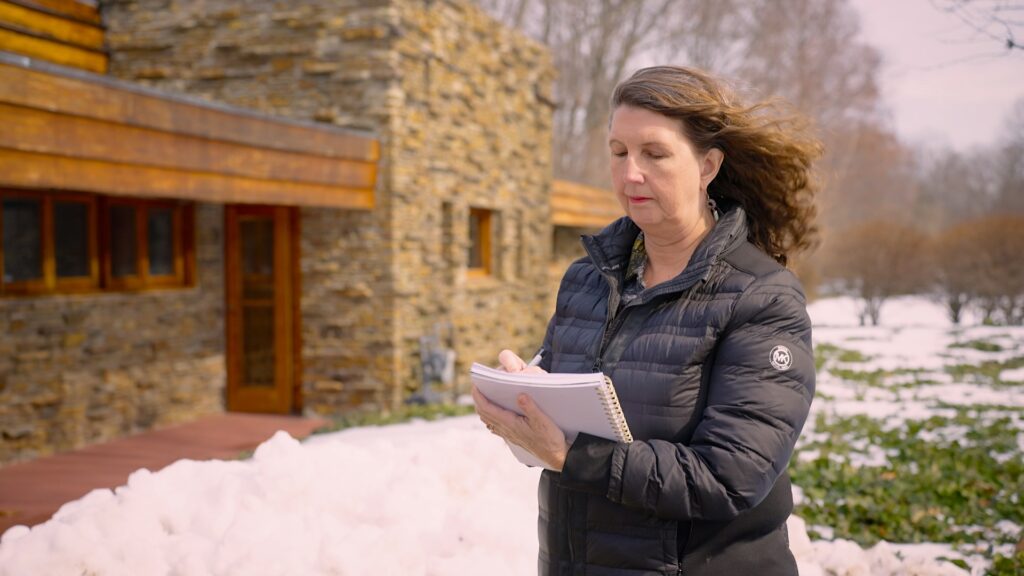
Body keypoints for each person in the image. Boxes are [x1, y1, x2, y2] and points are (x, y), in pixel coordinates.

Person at [472, 65, 820, 576]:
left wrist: (573, 454)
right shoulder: (587, 279)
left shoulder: (762, 297)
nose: (630, 173)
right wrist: (525, 398)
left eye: (654, 154)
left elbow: (730, 477)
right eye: (618, 152)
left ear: (708, 166)